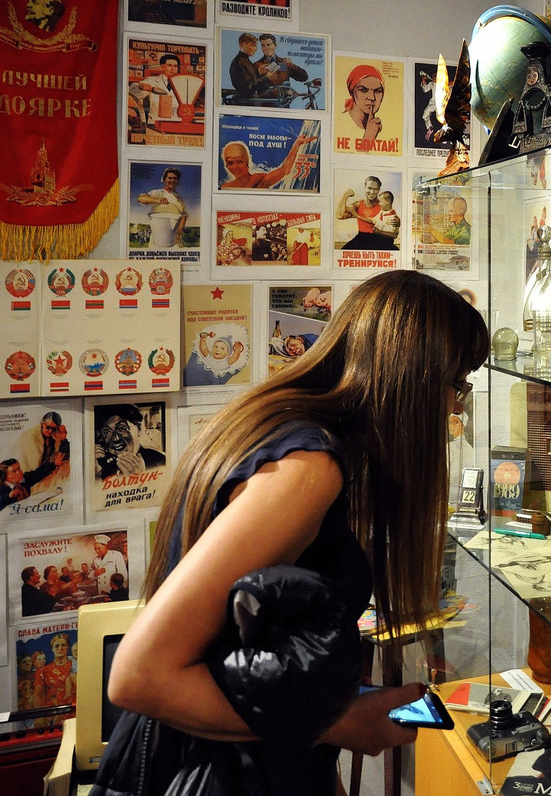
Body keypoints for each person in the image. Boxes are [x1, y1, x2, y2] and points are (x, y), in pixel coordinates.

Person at [99, 271, 488, 795]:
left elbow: (263, 648)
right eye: (456, 384)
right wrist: (342, 723)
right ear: (412, 379)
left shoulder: (282, 428)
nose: (456, 406)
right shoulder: (308, 470)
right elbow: (141, 677)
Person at [93, 404, 165, 480]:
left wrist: (140, 477)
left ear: (139, 429)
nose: (115, 438)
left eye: (122, 428)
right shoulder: (99, 466)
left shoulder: (160, 461)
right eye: (106, 432)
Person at [219, 134, 318, 190]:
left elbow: (285, 169)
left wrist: (298, 143)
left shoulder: (258, 180)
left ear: (246, 161)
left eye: (239, 161)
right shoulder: (225, 187)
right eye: (231, 163)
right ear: (226, 165)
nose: (235, 167)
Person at [338, 176, 399, 250]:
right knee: (344, 251)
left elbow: (392, 217)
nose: (372, 192)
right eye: (369, 188)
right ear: (365, 187)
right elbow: (340, 215)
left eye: (375, 189)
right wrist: (345, 195)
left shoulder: (383, 205)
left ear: (379, 190)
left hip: (381, 240)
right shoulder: (359, 204)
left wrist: (398, 221)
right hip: (362, 238)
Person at [15, 410, 70, 493]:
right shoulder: (30, 437)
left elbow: (63, 454)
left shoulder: (52, 435)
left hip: (45, 471)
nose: (50, 431)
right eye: (48, 427)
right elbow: (35, 470)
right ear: (42, 423)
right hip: (31, 479)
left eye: (54, 429)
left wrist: (62, 439)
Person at [136, 167, 188, 248]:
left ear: (178, 181)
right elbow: (140, 199)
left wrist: (178, 234)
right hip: (158, 236)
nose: (172, 180)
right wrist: (157, 200)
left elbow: (184, 216)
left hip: (175, 238)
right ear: (164, 180)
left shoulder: (179, 199)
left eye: (175, 179)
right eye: (170, 178)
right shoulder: (158, 193)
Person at [129, 54, 181, 128]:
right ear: (162, 66)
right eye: (169, 65)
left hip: (177, 123)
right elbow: (133, 93)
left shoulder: (183, 83)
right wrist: (140, 87)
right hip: (155, 124)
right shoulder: (151, 81)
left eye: (175, 66)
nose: (173, 69)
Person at [344, 64, 385, 142]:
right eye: (363, 90)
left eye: (377, 91)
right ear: (352, 92)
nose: (372, 97)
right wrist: (369, 136)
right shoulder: (342, 122)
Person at [34, 632, 76, 708]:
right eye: (57, 646)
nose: (60, 648)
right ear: (52, 649)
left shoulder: (76, 666)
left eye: (63, 645)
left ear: (68, 647)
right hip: (53, 711)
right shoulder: (43, 671)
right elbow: (37, 695)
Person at [229, 32, 263, 100]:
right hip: (246, 100)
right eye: (253, 45)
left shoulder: (245, 61)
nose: (256, 49)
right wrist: (266, 78)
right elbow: (248, 87)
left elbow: (250, 80)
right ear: (244, 44)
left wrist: (259, 72)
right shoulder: (239, 62)